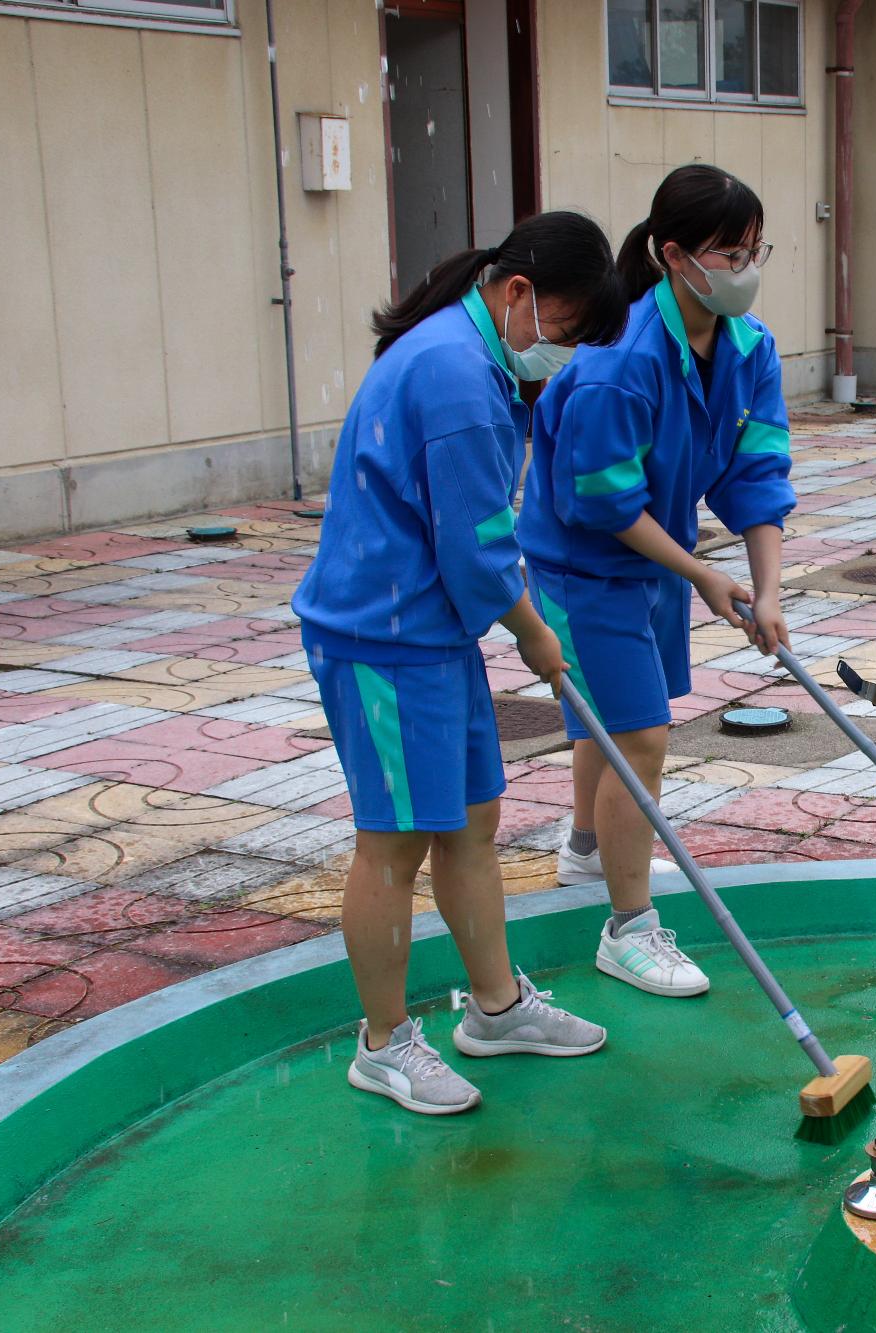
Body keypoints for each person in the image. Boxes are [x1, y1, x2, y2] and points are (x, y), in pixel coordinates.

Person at [292, 213, 631, 1115]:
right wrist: (534, 631)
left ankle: (497, 1007)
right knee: (395, 842)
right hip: (383, 635)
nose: (559, 352)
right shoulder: (455, 374)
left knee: (473, 819)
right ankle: (384, 1042)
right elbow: (477, 547)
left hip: (430, 632)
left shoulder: (469, 356)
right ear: (518, 293)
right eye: (563, 331)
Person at [520, 164, 795, 1000]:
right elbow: (603, 502)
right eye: (728, 251)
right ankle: (628, 927)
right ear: (673, 255)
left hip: (655, 556)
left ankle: (584, 853)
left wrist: (767, 587)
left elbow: (755, 472)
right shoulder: (619, 361)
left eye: (755, 249)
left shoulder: (749, 347)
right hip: (585, 561)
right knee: (640, 733)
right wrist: (704, 575)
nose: (745, 267)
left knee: (605, 718)